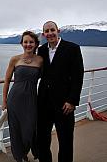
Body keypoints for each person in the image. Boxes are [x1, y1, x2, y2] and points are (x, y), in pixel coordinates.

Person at [37, 21, 84, 162]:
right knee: (43, 140)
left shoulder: (72, 48)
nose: (50, 33)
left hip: (64, 104)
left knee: (66, 141)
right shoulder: (42, 50)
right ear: (44, 34)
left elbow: (78, 76)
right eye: (47, 31)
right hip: (44, 103)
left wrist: (72, 100)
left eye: (52, 30)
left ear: (58, 31)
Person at [2, 31, 43, 162]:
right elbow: (7, 80)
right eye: (25, 42)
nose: (28, 44)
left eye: (31, 42)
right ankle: (20, 156)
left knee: (29, 131)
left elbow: (47, 79)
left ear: (36, 44)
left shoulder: (41, 60)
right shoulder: (15, 59)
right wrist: (4, 101)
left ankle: (25, 151)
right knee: (15, 131)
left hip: (31, 100)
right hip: (14, 100)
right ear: (21, 44)